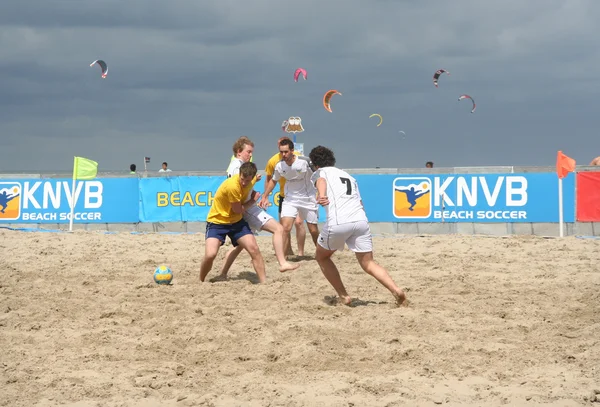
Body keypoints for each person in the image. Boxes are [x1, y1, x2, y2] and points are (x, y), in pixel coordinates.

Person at [308, 145, 407, 307]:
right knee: (369, 263)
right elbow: (360, 202)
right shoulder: (348, 176)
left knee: (321, 257)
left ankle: (343, 296)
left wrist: (322, 195)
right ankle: (396, 290)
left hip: (339, 221)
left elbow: (321, 180)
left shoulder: (320, 172)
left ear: (316, 164)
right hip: (360, 220)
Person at [217, 137, 299, 279]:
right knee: (278, 229)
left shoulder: (236, 165)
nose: (250, 155)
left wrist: (253, 186)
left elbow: (241, 187)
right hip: (247, 209)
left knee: (240, 245)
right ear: (239, 152)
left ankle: (223, 273)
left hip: (243, 208)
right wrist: (253, 197)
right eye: (248, 152)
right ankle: (282, 262)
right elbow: (239, 188)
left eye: (251, 152)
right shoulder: (237, 167)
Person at [199, 161, 267, 283]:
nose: (244, 183)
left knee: (254, 249)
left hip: (236, 222)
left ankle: (264, 282)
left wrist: (256, 179)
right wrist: (253, 201)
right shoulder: (233, 186)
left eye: (248, 180)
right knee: (210, 255)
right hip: (217, 221)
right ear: (239, 174)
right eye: (242, 179)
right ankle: (200, 281)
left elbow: (253, 180)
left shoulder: (250, 179)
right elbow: (237, 210)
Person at [259, 139, 319, 255]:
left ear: (292, 151)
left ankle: (321, 253)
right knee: (285, 228)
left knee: (313, 230)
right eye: (281, 152)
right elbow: (273, 180)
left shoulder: (305, 161)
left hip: (308, 198)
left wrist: (321, 193)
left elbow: (318, 176)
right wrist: (265, 196)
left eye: (286, 152)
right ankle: (284, 257)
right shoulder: (279, 165)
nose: (283, 155)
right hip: (290, 199)